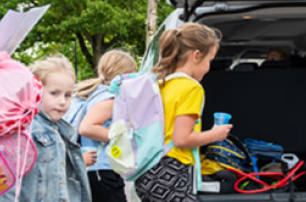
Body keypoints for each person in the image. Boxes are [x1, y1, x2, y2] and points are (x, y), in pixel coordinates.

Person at [136, 23, 232, 202]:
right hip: (172, 171)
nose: (208, 68)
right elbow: (181, 139)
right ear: (196, 56)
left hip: (147, 170)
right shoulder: (191, 88)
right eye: (209, 61)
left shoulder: (160, 83)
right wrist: (214, 135)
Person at [1, 56, 91, 201]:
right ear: (34, 91)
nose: (62, 102)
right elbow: (8, 181)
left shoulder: (61, 132)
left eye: (67, 95)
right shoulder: (26, 131)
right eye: (54, 93)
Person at [68, 50, 138, 202]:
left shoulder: (95, 94)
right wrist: (119, 138)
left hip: (94, 170)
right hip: (101, 170)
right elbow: (86, 127)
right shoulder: (109, 98)